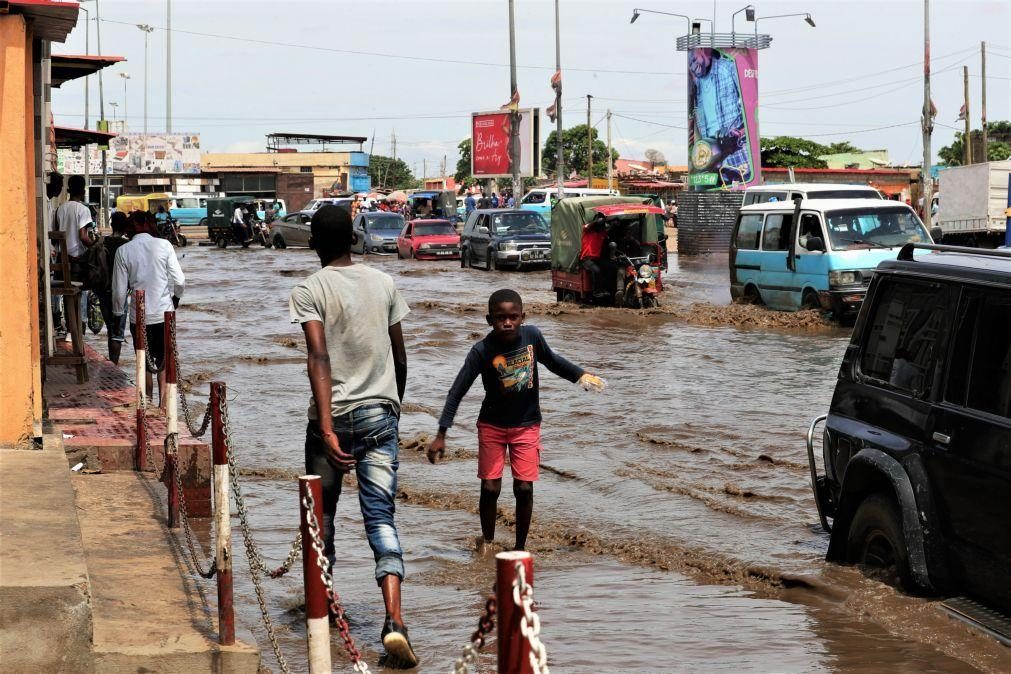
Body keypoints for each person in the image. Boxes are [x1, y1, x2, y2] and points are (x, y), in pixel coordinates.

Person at [288, 205, 417, 669]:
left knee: (322, 516)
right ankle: (394, 622)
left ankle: (322, 607)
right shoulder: (383, 283)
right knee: (381, 517)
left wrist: (325, 428)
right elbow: (400, 356)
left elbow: (318, 357)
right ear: (354, 239)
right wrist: (392, 407)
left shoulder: (309, 290)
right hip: (381, 415)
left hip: (333, 418)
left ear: (314, 244)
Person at [427, 289, 603, 552]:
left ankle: (520, 548)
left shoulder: (532, 337)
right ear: (489, 320)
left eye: (513, 317)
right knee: (490, 487)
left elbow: (553, 361)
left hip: (527, 425)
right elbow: (458, 390)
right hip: (492, 426)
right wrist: (442, 433)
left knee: (523, 488)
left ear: (523, 317)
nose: (507, 322)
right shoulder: (482, 350)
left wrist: (581, 376)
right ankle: (487, 542)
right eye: (500, 318)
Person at [112, 212, 185, 407]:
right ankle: (164, 406)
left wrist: (118, 313)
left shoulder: (123, 251)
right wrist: (176, 298)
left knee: (143, 360)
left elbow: (119, 291)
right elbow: (179, 281)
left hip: (139, 316)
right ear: (150, 224)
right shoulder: (165, 245)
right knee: (163, 361)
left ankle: (146, 404)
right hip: (164, 313)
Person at [688, 47, 751, 185]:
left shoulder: (728, 69)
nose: (693, 66)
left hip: (738, 155)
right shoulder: (697, 85)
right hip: (712, 158)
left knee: (738, 194)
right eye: (690, 64)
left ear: (703, 50)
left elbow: (750, 110)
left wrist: (737, 133)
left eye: (694, 60)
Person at [54, 175, 97, 336]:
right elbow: (83, 236)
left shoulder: (60, 208)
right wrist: (95, 246)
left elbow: (57, 235)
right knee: (81, 294)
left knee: (67, 295)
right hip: (77, 261)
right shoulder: (83, 210)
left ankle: (70, 330)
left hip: (61, 260)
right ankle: (79, 329)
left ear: (69, 189)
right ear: (83, 190)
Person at [88, 211, 130, 364]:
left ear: (111, 225)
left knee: (110, 330)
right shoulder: (126, 245)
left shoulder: (102, 242)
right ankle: (114, 366)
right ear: (125, 227)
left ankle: (112, 364)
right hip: (120, 291)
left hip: (102, 290)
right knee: (117, 333)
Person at [579, 214, 616, 295]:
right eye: (600, 223)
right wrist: (597, 221)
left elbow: (609, 231)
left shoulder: (602, 233)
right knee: (597, 271)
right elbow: (587, 226)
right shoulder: (587, 231)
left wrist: (614, 223)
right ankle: (596, 291)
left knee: (612, 267)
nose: (600, 226)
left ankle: (608, 289)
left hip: (597, 259)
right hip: (586, 259)